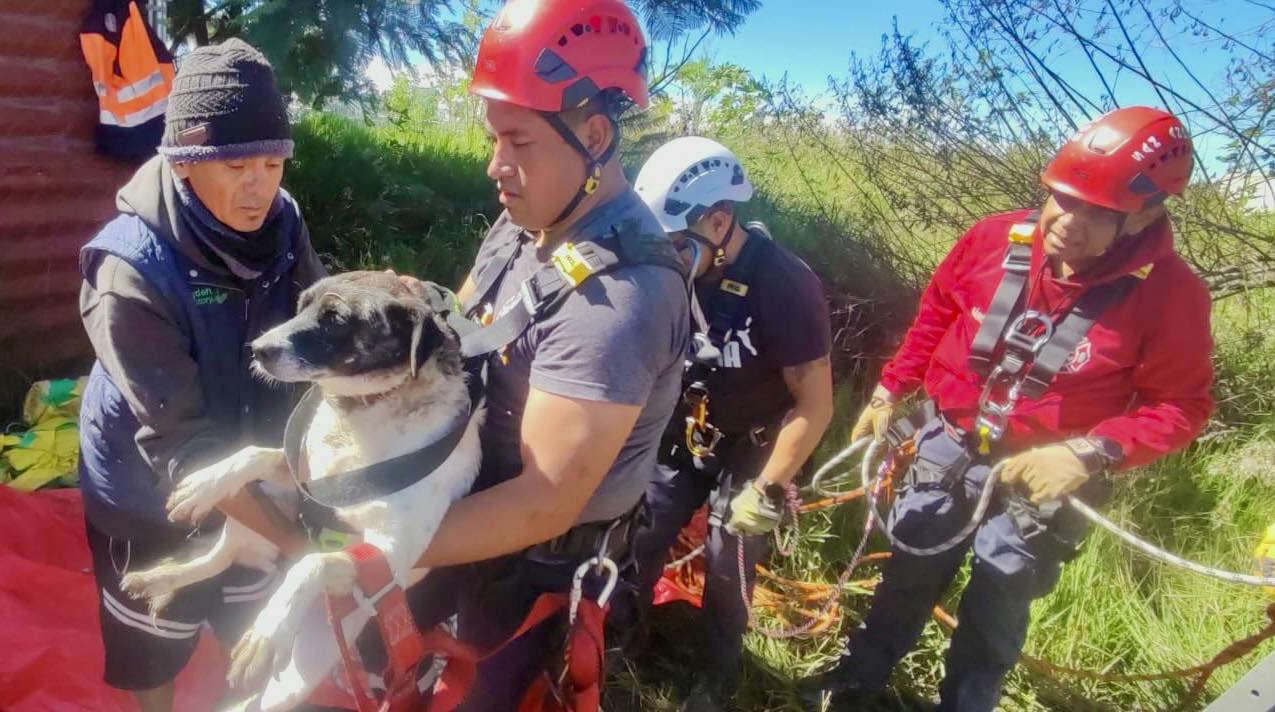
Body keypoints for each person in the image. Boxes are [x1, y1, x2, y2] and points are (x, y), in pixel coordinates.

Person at [800, 106, 1214, 711]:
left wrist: (1091, 452)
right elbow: (938, 312)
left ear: (1148, 214)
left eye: (1101, 213)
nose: (1069, 223)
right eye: (1063, 198)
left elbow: (1181, 405)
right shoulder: (994, 239)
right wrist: (893, 387)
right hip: (949, 442)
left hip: (1043, 474)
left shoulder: (1170, 294)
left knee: (997, 603)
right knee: (908, 572)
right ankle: (856, 683)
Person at [403, 1, 690, 709]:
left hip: (530, 569)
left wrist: (370, 548)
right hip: (465, 512)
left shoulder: (622, 296)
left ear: (593, 135)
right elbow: (466, 327)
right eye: (494, 139)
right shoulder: (526, 220)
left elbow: (541, 502)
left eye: (519, 143)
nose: (493, 166)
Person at [77, 39, 325, 712]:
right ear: (186, 164)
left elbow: (314, 332)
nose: (259, 186)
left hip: (248, 459)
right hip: (148, 486)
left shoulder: (283, 221)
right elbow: (179, 448)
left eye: (272, 162)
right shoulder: (129, 273)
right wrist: (307, 549)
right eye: (236, 164)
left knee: (253, 623)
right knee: (152, 635)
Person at [623, 136, 834, 710]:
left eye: (676, 242)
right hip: (683, 431)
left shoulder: (785, 285)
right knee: (638, 536)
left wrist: (767, 488)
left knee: (728, 558)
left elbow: (815, 404)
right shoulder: (677, 270)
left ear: (720, 221)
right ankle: (622, 647)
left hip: (754, 446)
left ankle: (714, 677)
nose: (665, 255)